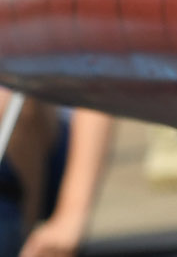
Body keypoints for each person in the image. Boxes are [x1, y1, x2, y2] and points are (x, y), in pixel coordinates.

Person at [0, 101, 112, 257]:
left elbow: (98, 88)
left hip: (42, 157)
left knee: (9, 99)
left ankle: (25, 240)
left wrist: (71, 215)